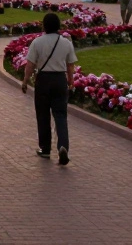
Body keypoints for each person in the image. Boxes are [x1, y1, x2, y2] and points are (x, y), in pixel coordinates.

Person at [21, 13, 77, 165]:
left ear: (44, 26)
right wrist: (70, 82)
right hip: (60, 80)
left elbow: (30, 65)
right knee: (60, 115)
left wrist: (25, 81)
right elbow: (70, 65)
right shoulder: (66, 43)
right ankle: (63, 146)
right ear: (58, 25)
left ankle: (45, 149)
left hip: (43, 80)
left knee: (43, 115)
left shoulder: (37, 42)